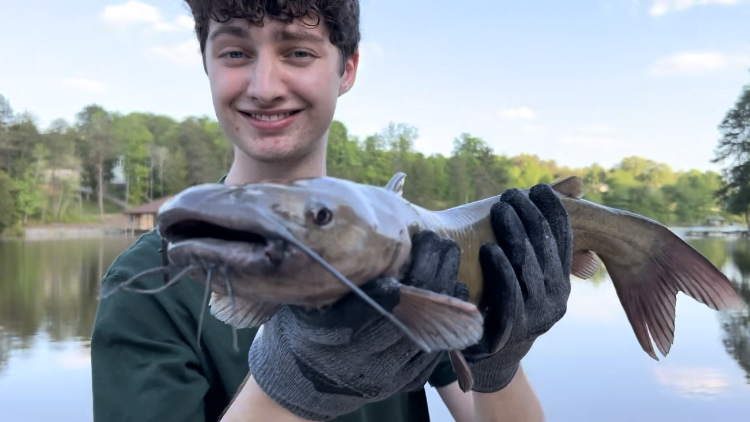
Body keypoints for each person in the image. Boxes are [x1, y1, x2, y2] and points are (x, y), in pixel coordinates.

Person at [89, 1, 573, 421]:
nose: (264, 86)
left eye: (298, 51)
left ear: (348, 69)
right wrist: (297, 383)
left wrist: (496, 360)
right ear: (206, 64)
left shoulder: (412, 251)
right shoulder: (143, 287)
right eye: (235, 52)